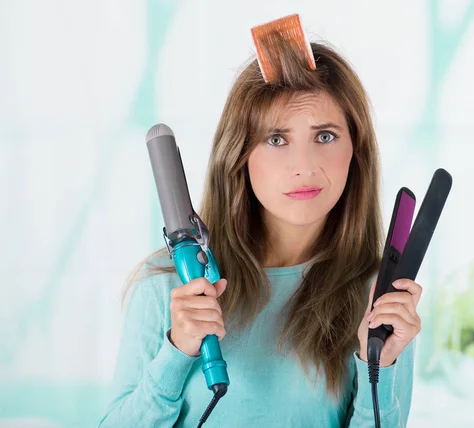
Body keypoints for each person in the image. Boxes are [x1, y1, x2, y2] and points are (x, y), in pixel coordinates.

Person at [99, 37, 422, 427]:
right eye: (276, 139)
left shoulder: (379, 299)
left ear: (357, 151)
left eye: (325, 136)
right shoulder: (168, 285)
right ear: (239, 156)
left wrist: (380, 367)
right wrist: (176, 352)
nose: (304, 166)